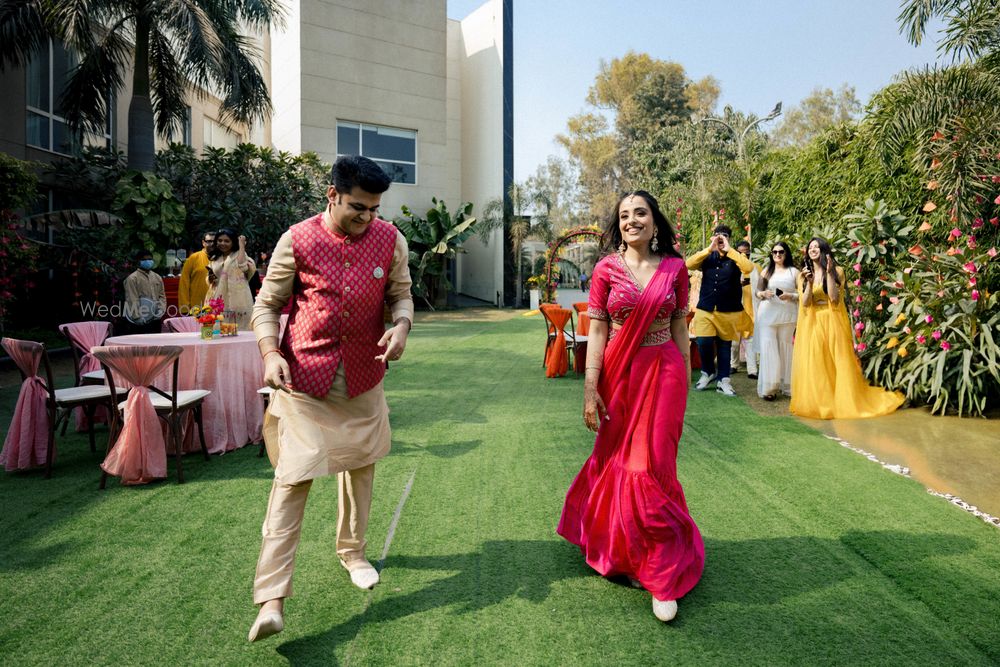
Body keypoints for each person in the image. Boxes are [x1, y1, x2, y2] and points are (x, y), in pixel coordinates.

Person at [246, 156, 413, 642]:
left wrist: (401, 325)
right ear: (332, 195)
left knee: (360, 467)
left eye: (375, 209)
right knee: (292, 478)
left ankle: (353, 552)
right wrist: (270, 353)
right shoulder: (296, 239)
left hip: (364, 376)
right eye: (358, 207)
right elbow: (267, 304)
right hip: (304, 380)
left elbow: (400, 295)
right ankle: (271, 599)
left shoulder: (391, 240)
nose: (368, 217)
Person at [558, 190, 703, 623]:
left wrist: (685, 379)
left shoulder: (675, 268)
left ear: (655, 222)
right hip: (619, 373)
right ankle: (623, 550)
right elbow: (597, 331)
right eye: (624, 215)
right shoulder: (605, 269)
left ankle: (659, 568)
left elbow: (680, 327)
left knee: (653, 464)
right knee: (618, 460)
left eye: (640, 213)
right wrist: (590, 388)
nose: (632, 220)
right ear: (618, 224)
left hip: (665, 371)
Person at [790, 237, 904, 419]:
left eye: (817, 247)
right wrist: (809, 282)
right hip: (814, 323)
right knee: (817, 362)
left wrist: (829, 273)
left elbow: (834, 299)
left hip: (832, 321)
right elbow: (805, 303)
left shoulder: (837, 271)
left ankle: (842, 401)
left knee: (836, 361)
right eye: (810, 247)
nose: (813, 250)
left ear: (824, 250)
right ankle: (822, 404)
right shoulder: (802, 275)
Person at [685, 224, 754, 396]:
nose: (721, 238)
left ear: (729, 238)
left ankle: (724, 380)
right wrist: (709, 248)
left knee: (724, 346)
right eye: (718, 234)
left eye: (724, 235)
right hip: (706, 308)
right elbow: (689, 264)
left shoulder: (736, 256)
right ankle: (708, 372)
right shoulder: (707, 255)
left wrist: (730, 250)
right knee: (703, 342)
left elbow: (748, 268)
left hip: (729, 309)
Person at [754, 241, 799, 400]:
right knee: (769, 348)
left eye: (781, 252)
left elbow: (803, 293)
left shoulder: (794, 272)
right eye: (774, 252)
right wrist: (763, 294)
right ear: (771, 254)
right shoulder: (767, 271)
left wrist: (791, 296)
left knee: (785, 348)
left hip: (787, 314)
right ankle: (769, 388)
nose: (777, 255)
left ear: (786, 253)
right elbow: (757, 292)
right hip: (767, 313)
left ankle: (787, 385)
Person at [206, 228, 256, 329]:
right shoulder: (215, 257)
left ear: (233, 242)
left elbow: (243, 266)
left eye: (227, 241)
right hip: (218, 299)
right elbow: (210, 277)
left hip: (239, 300)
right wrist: (210, 279)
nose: (222, 243)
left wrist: (241, 246)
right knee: (218, 329)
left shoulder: (240, 254)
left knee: (240, 329)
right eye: (220, 240)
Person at [730, 240, 759, 378]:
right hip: (734, 309)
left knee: (750, 341)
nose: (743, 255)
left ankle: (752, 370)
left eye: (746, 253)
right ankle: (733, 365)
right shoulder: (730, 267)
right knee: (734, 342)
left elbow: (762, 286)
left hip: (750, 311)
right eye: (740, 252)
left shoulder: (755, 268)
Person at [123, 250, 166, 334]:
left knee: (156, 341)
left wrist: (161, 310)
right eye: (144, 259)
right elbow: (132, 298)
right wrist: (137, 317)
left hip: (155, 318)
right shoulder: (132, 279)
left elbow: (162, 295)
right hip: (141, 319)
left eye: (150, 259)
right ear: (138, 262)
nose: (148, 261)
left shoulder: (157, 277)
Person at [177, 231, 215, 314]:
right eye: (209, 241)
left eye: (214, 241)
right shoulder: (193, 258)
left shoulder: (222, 259)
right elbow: (184, 283)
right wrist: (185, 308)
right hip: (197, 307)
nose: (212, 244)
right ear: (203, 243)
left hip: (217, 306)